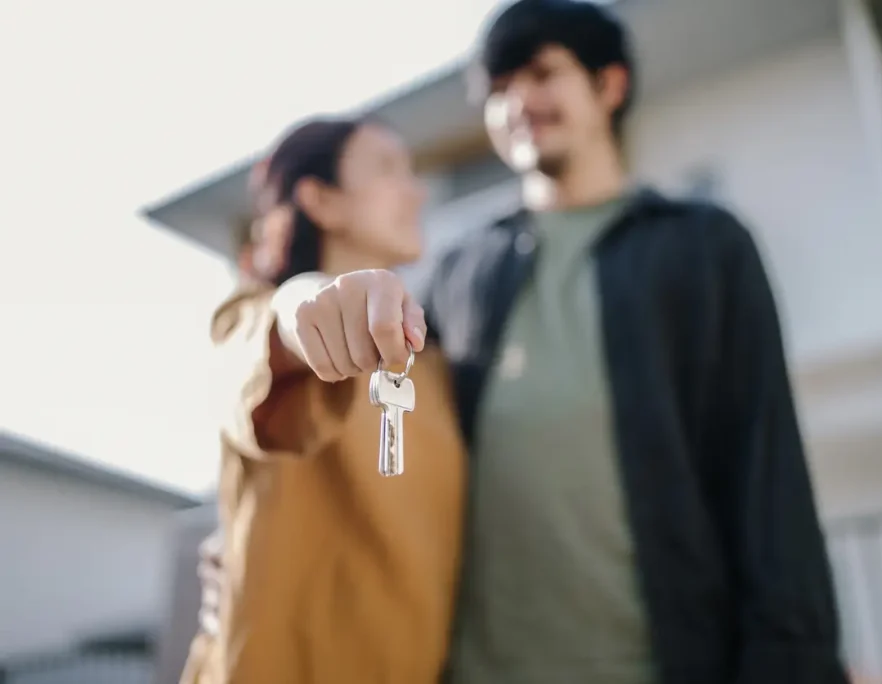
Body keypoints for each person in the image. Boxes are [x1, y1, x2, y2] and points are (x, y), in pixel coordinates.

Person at [277, 1, 850, 683]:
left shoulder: (704, 247)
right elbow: (385, 447)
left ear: (609, 87)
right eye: (497, 89)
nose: (518, 101)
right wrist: (264, 551)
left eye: (542, 74)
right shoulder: (460, 272)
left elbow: (766, 470)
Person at [185, 117, 467, 684]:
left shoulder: (435, 366)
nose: (415, 192)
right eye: (389, 170)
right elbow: (271, 340)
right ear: (320, 199)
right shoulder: (249, 317)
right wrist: (305, 301)